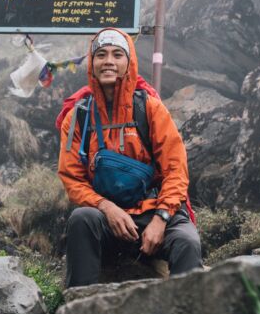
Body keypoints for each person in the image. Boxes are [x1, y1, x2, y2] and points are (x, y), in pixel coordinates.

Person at [57, 28, 202, 288]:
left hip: (154, 211)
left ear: (129, 62)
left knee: (187, 242)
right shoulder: (78, 116)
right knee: (81, 220)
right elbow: (72, 178)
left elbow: (175, 169)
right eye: (100, 55)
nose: (109, 61)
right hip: (107, 217)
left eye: (117, 54)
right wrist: (106, 207)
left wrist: (161, 219)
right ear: (92, 63)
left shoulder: (150, 108)